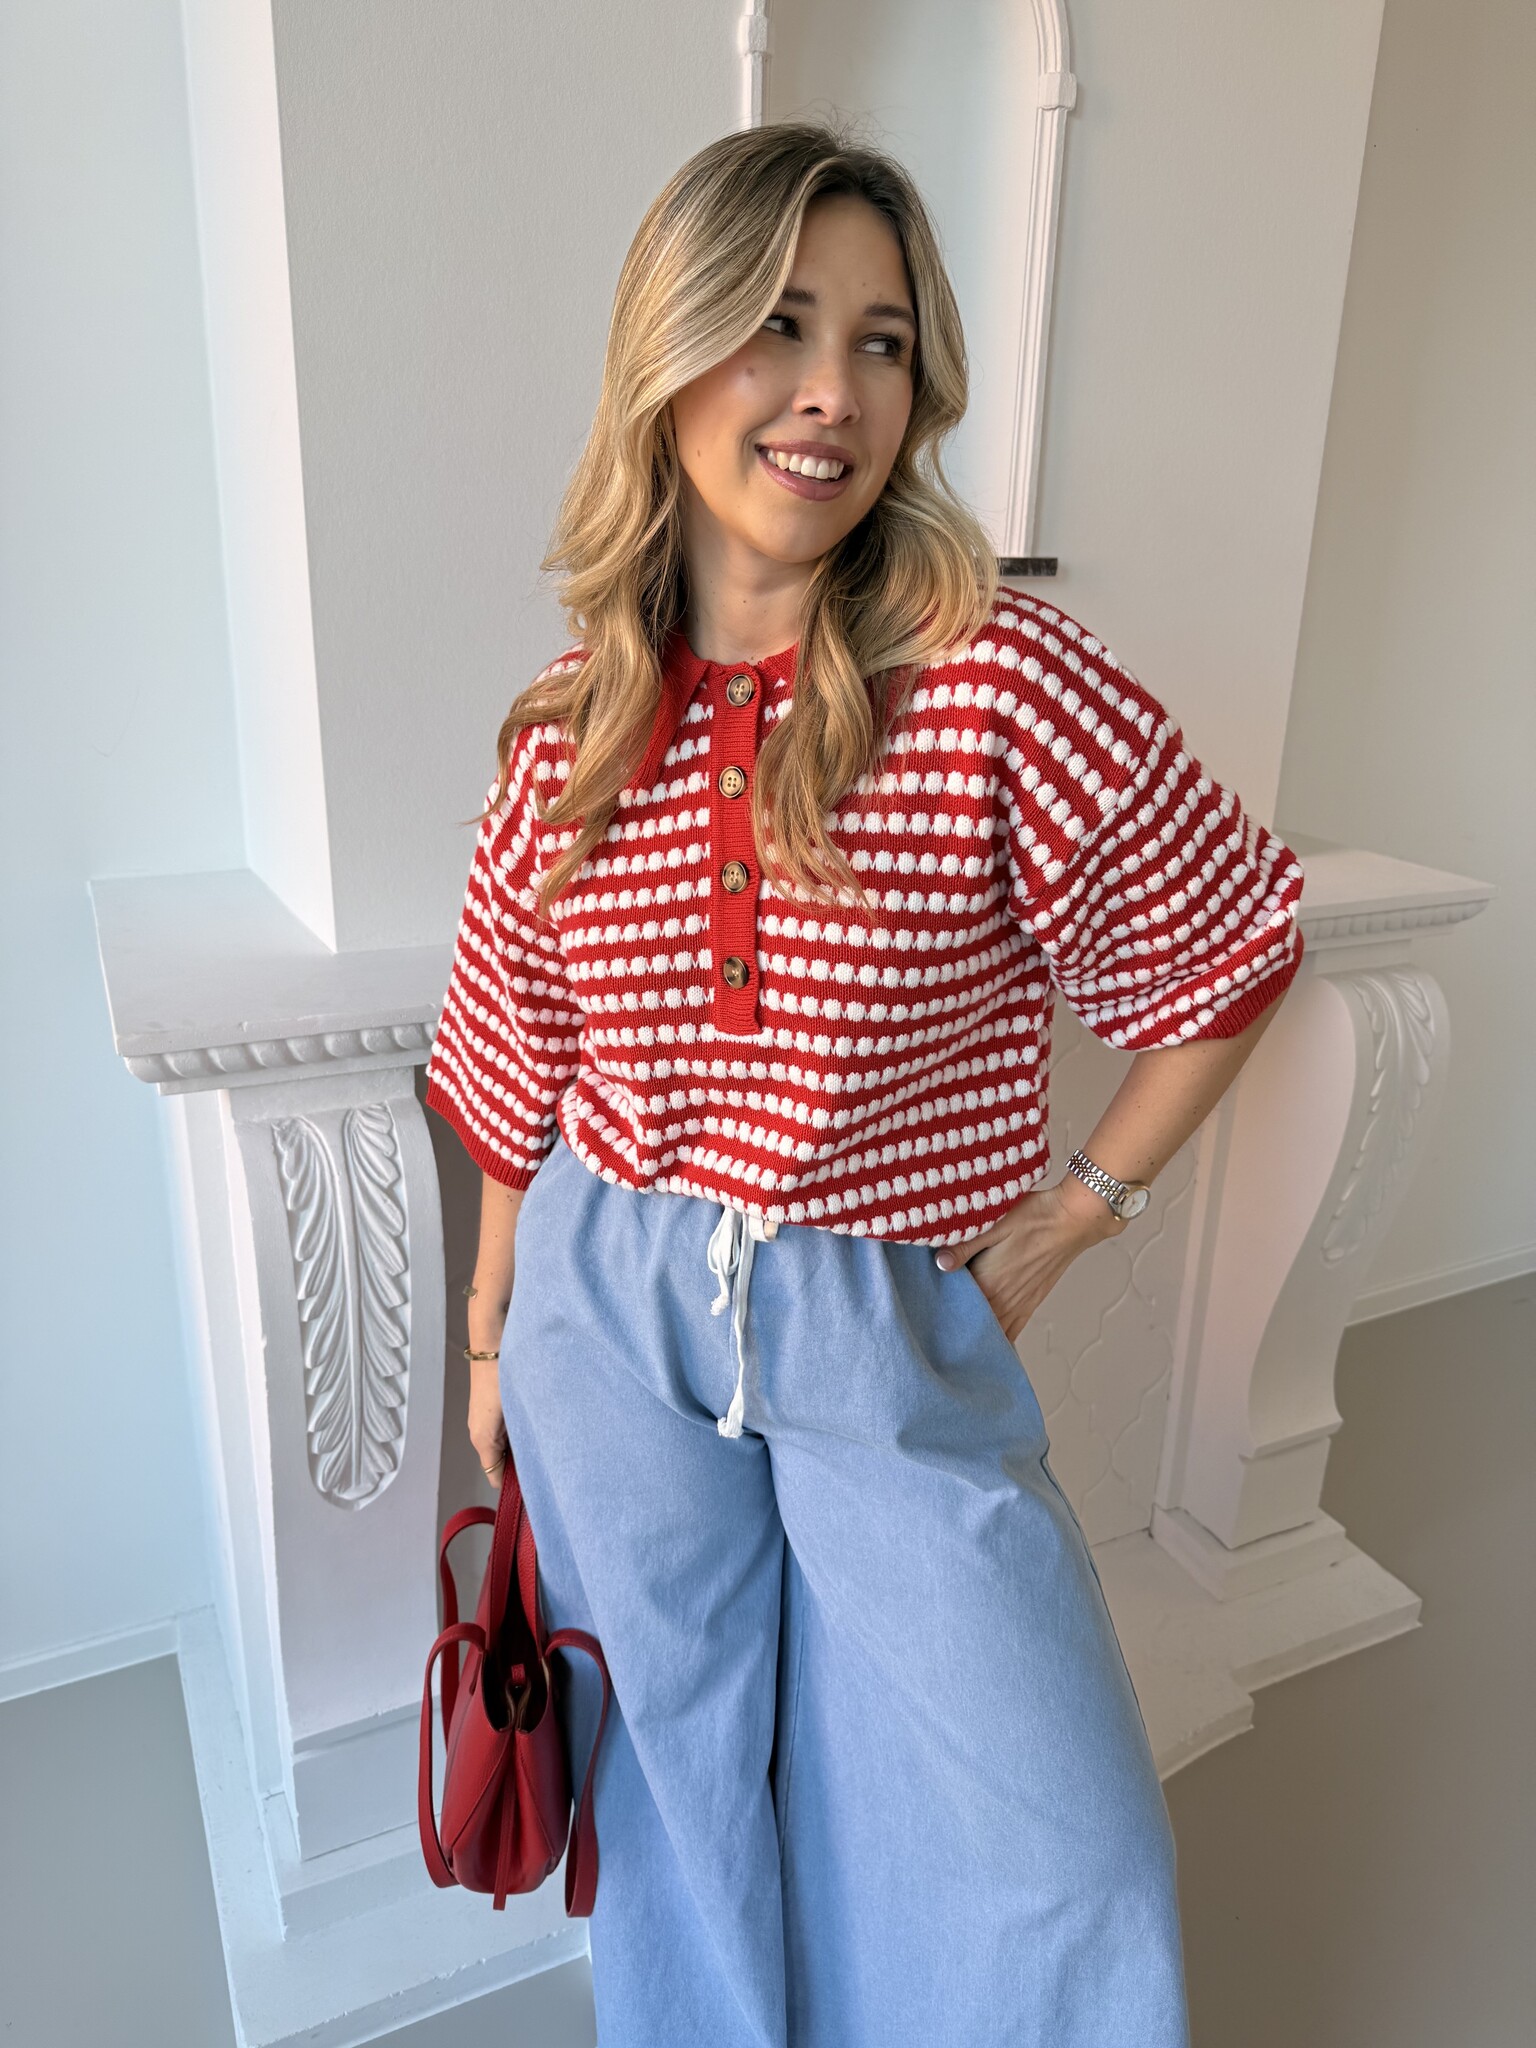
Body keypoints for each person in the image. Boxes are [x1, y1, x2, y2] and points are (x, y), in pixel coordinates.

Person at [424, 119, 1304, 2048]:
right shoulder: (572, 725)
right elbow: (513, 1059)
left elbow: (1232, 944)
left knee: (1050, 1831)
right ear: (671, 356)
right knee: (675, 1768)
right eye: (779, 324)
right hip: (604, 1310)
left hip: (877, 1312)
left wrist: (1070, 1222)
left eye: (882, 342)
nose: (833, 390)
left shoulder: (997, 681)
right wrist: (490, 1338)